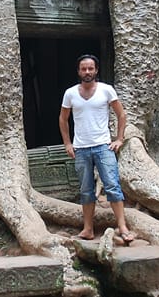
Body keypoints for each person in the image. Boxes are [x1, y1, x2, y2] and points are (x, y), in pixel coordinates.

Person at [58, 54, 135, 243]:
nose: (87, 72)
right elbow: (63, 119)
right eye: (83, 69)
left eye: (90, 68)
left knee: (112, 186)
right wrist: (68, 143)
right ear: (78, 71)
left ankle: (122, 227)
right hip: (81, 149)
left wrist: (119, 139)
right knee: (86, 190)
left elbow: (121, 115)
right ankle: (88, 229)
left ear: (96, 70)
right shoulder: (70, 93)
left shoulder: (106, 90)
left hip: (103, 147)